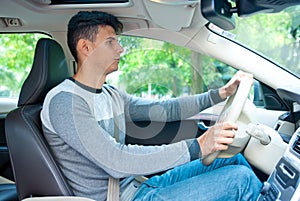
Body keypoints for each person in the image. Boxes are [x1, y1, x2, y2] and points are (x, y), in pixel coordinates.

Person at [41, 11, 262, 201]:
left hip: (138, 186)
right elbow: (116, 160)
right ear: (86, 47)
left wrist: (220, 94)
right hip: (122, 197)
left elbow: (164, 110)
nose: (120, 49)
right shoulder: (65, 102)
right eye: (111, 42)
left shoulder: (109, 94)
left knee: (232, 158)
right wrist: (199, 145)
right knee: (240, 181)